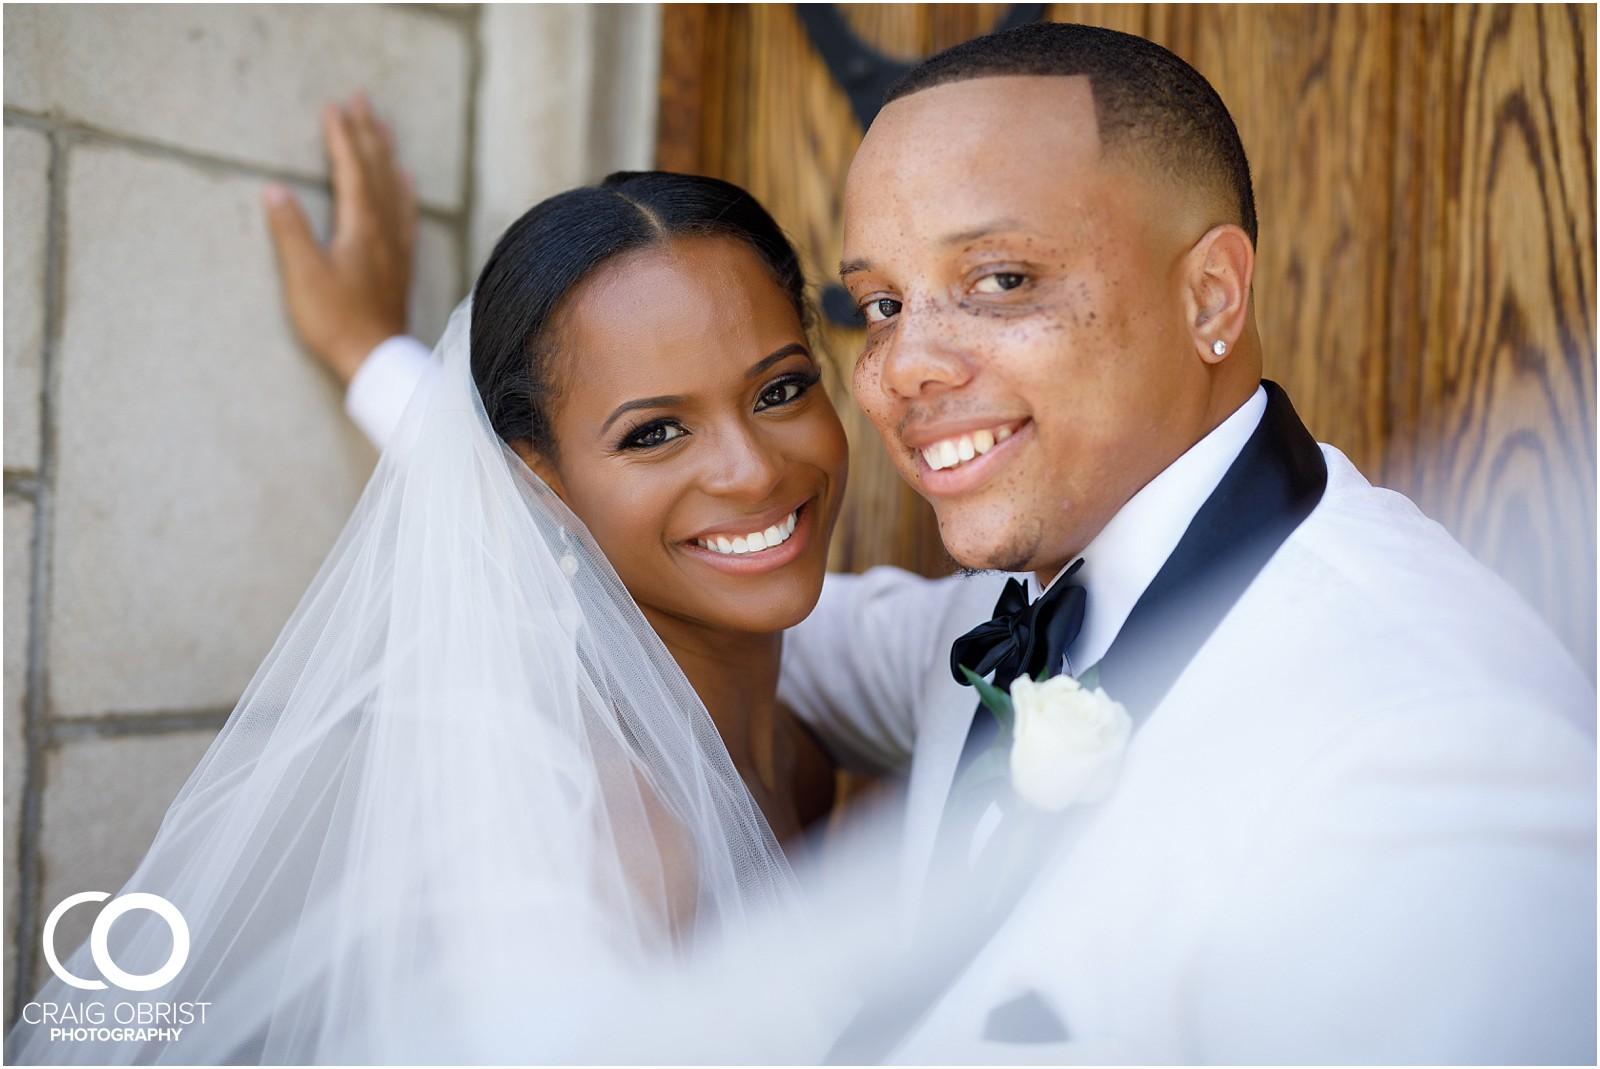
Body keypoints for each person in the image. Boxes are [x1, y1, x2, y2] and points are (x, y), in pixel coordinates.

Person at [305, 23, 1596, 1065]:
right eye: (877, 304)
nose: (906, 368)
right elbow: (656, 550)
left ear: (1209, 294)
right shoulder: (990, 622)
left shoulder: (1430, 741)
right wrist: (384, 367)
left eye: (1002, 281)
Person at [8, 167, 850, 1062]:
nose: (752, 471)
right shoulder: (607, 846)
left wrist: (366, 350)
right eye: (653, 432)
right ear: (539, 484)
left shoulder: (803, 749)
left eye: (779, 389)